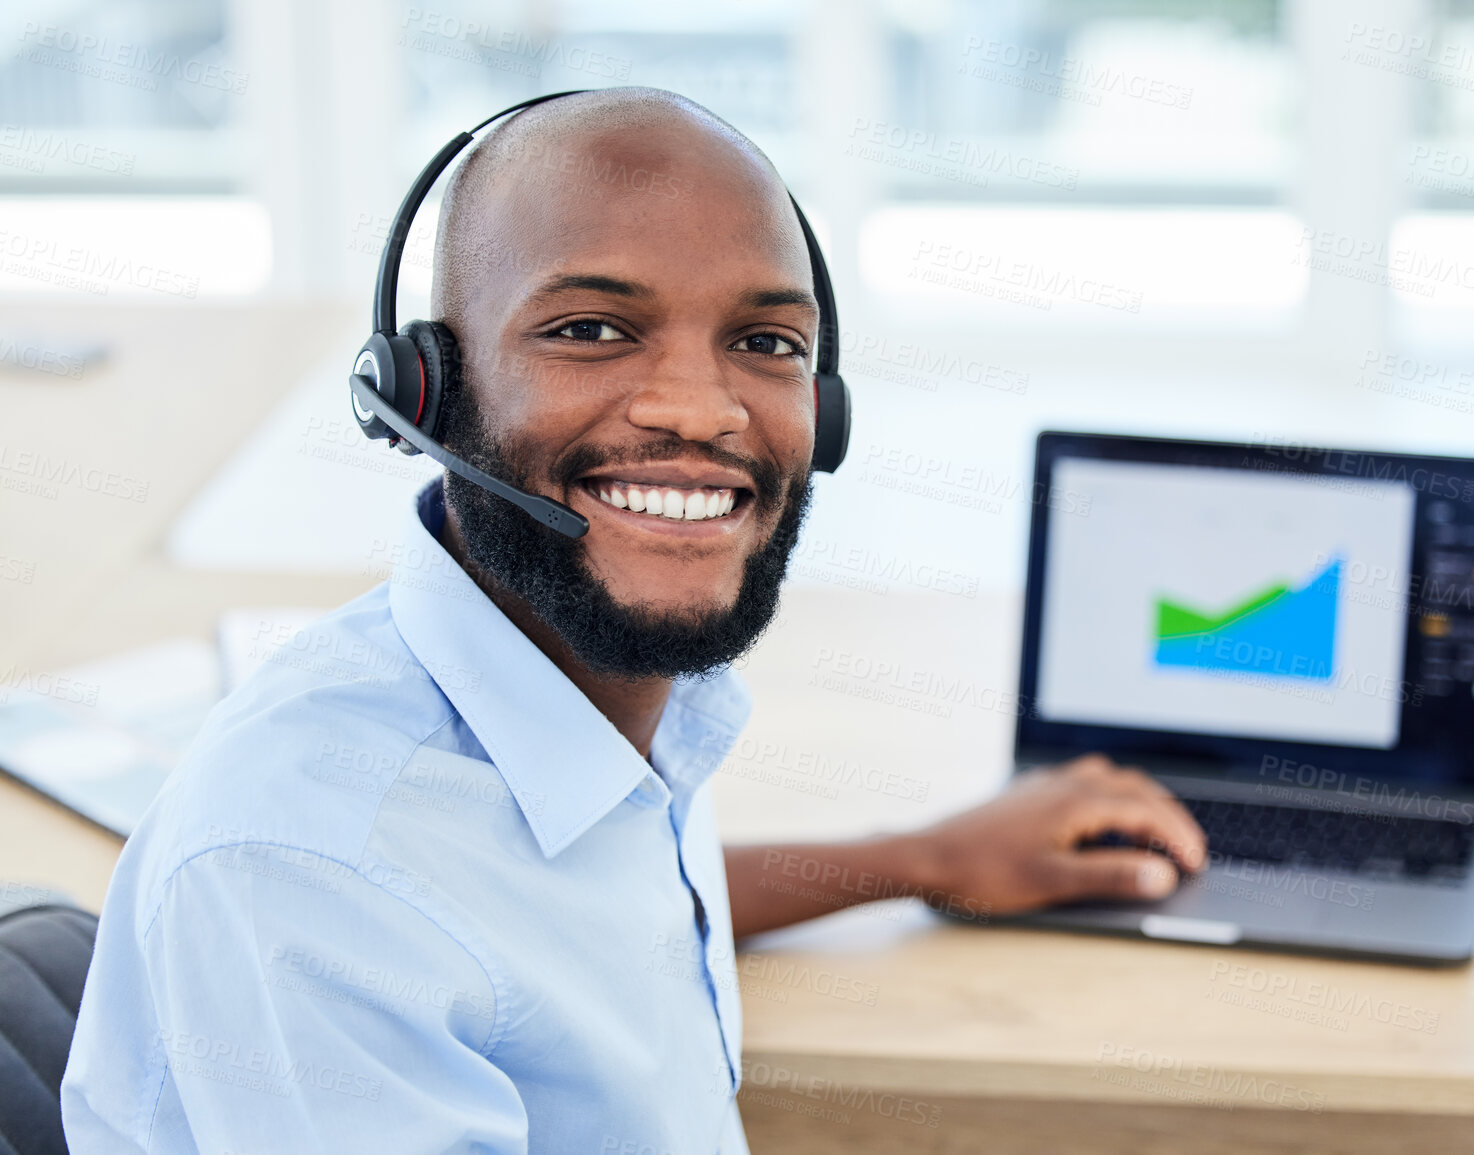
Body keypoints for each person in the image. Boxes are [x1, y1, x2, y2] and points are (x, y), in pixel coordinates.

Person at [62, 88, 1206, 1154]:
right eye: (592, 330)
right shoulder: (312, 875)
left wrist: (923, 859)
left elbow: (582, 915)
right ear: (425, 392)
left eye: (766, 344)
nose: (699, 411)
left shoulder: (575, 705)